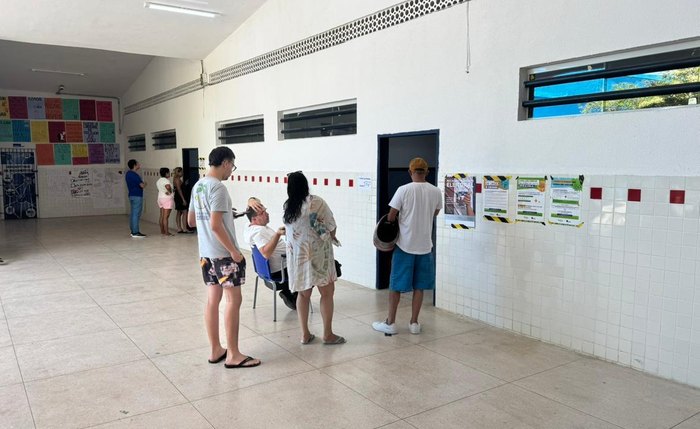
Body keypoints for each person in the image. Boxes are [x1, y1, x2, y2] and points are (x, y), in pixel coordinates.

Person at [187, 147, 261, 369]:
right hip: (223, 254)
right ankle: (234, 355)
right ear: (226, 163)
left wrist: (230, 214)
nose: (232, 172)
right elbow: (216, 225)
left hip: (206, 255)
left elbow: (192, 221)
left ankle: (216, 350)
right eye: (232, 167)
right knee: (233, 300)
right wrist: (234, 251)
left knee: (212, 300)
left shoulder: (198, 186)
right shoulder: (218, 188)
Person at [373, 157, 442, 335]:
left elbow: (391, 216)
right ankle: (414, 324)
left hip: (405, 246)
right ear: (426, 172)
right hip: (426, 247)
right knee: (419, 287)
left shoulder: (403, 190)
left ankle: (391, 323)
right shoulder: (436, 191)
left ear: (410, 172)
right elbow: (435, 213)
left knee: (395, 286)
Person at [283, 171, 344, 345]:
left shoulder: (288, 206)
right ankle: (328, 334)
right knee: (327, 294)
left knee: (303, 295)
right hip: (319, 257)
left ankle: (305, 335)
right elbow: (331, 226)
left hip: (299, 259)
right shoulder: (316, 202)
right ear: (306, 185)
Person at [243, 197, 298, 310]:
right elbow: (265, 253)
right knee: (314, 267)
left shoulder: (250, 228)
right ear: (254, 219)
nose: (267, 214)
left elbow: (249, 209)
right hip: (281, 270)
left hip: (273, 268)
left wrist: (250, 200)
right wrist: (277, 234)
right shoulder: (259, 232)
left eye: (265, 211)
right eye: (263, 213)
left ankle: (290, 293)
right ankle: (292, 295)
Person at [125, 159, 146, 238]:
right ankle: (135, 232)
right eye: (138, 163)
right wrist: (145, 183)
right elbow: (142, 185)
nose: (139, 164)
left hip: (131, 195)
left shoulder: (128, 174)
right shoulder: (134, 175)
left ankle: (132, 230)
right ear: (134, 165)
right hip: (137, 195)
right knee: (136, 214)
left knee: (133, 213)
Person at [156, 167, 175, 236]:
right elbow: (168, 187)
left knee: (161, 216)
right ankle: (167, 232)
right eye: (168, 172)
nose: (169, 174)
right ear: (166, 173)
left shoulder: (159, 180)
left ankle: (162, 231)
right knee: (166, 217)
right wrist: (170, 192)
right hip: (166, 199)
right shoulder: (166, 181)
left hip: (160, 198)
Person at [172, 167, 190, 233]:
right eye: (181, 172)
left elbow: (179, 188)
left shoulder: (177, 179)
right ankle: (184, 228)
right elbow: (179, 190)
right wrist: (183, 199)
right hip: (179, 197)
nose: (182, 173)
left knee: (179, 212)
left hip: (178, 197)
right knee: (184, 212)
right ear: (178, 172)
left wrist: (184, 184)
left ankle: (179, 228)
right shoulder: (177, 179)